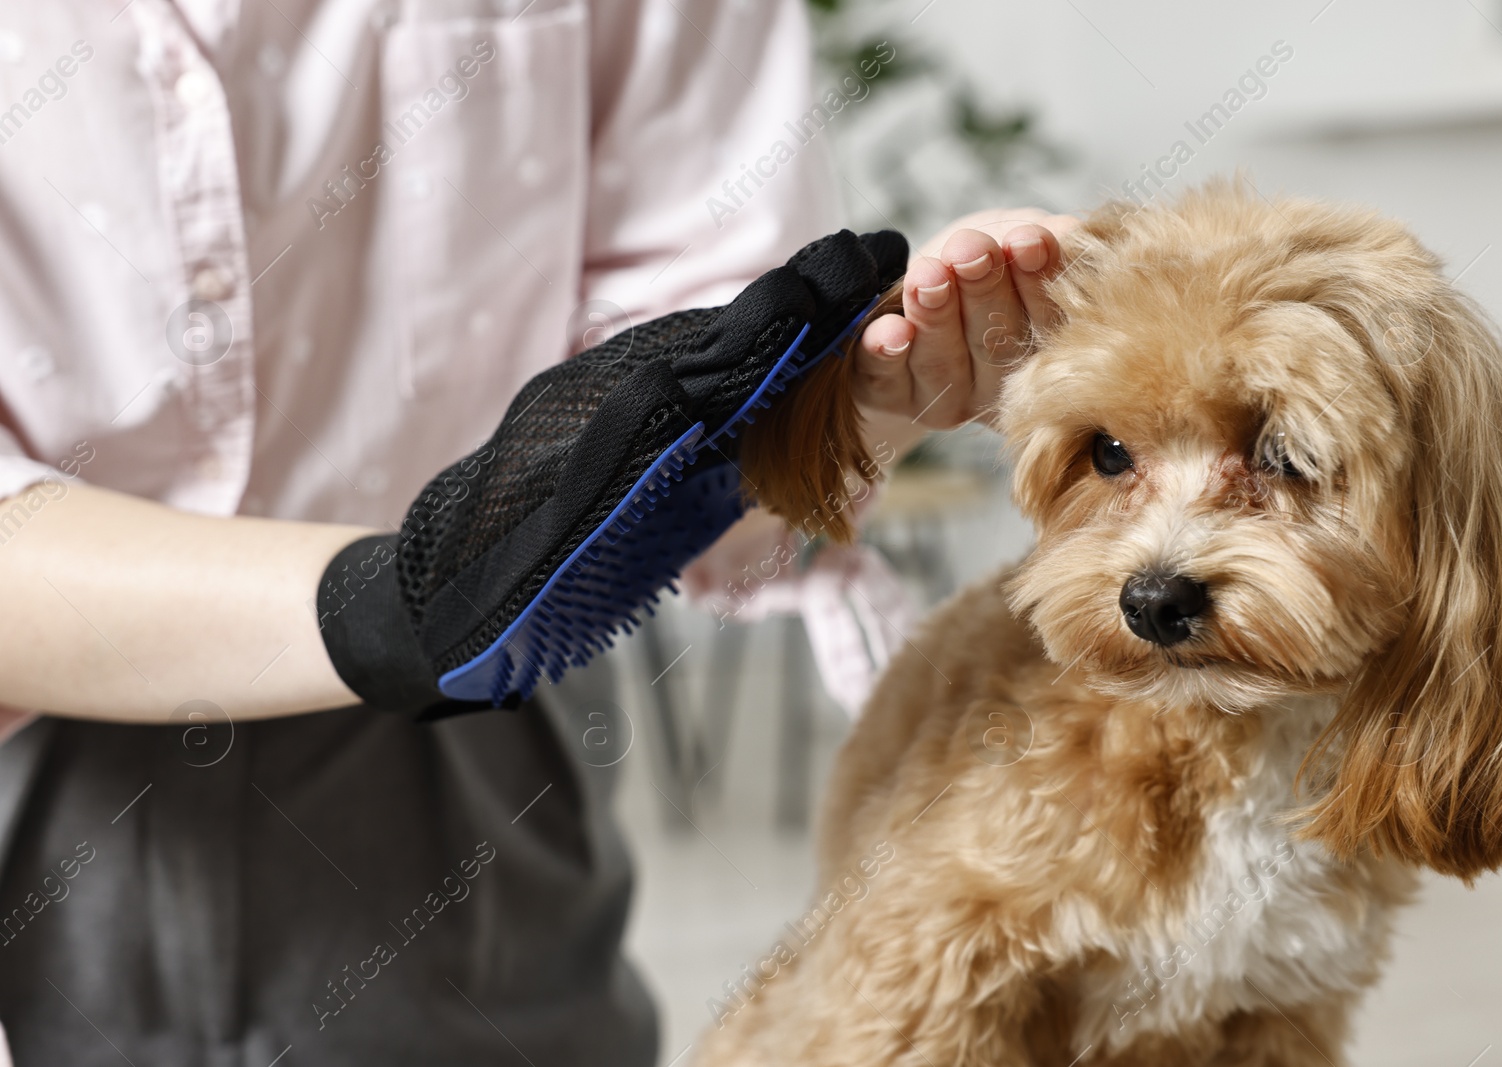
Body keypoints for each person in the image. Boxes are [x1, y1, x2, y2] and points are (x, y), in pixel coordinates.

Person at [0, 2, 1074, 1063]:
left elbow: (705, 408)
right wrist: (399, 603)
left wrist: (866, 397)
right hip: (46, 740)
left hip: (466, 745)